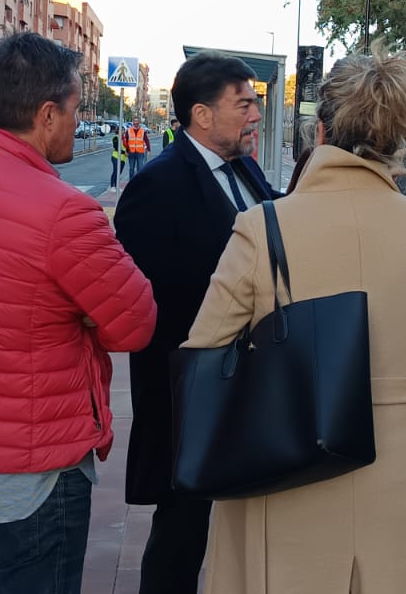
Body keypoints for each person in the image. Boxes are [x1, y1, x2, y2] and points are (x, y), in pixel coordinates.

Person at [182, 44, 406, 593]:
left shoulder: (261, 227)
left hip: (280, 472)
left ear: (318, 132)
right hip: (396, 478)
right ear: (399, 140)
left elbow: (206, 352)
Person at [0, 32, 157, 594]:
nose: (77, 122)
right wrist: (82, 314)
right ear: (47, 114)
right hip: (33, 470)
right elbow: (136, 322)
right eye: (74, 110)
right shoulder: (65, 212)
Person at [113, 52, 279, 594]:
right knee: (183, 526)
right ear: (202, 116)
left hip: (251, 381)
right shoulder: (156, 187)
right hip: (193, 392)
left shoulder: (246, 168)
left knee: (243, 518)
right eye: (245, 104)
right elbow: (150, 305)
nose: (255, 114)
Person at [108, 127, 125, 193]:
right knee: (115, 171)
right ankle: (112, 186)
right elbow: (116, 147)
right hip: (116, 157)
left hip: (123, 158)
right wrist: (124, 152)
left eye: (123, 130)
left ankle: (117, 186)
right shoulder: (116, 137)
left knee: (119, 173)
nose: (123, 131)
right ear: (118, 131)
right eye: (122, 130)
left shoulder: (124, 138)